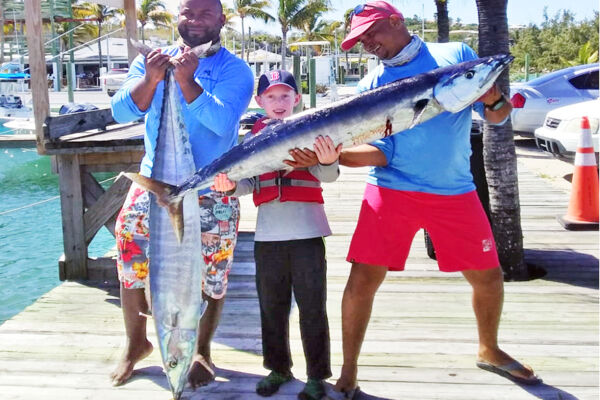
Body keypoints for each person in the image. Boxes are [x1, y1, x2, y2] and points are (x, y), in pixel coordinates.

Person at [323, 2, 541, 398]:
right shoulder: (370, 85)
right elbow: (378, 151)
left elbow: (498, 116)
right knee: (362, 282)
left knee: (489, 278)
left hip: (454, 191)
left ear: (396, 20)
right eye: (360, 40)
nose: (368, 44)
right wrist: (332, 156)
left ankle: (489, 349)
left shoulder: (455, 56)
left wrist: (492, 99)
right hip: (390, 190)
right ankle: (349, 370)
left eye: (372, 33)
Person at [109, 0, 254, 389]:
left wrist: (188, 81)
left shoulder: (234, 70)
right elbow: (121, 112)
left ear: (222, 20)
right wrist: (152, 79)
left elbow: (223, 121)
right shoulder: (152, 62)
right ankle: (136, 343)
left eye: (206, 13)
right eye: (188, 12)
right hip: (155, 182)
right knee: (129, 258)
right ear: (177, 18)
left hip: (212, 185)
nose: (195, 21)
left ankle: (202, 349)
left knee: (214, 272)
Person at [212, 70, 342, 400]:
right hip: (267, 237)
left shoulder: (313, 131)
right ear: (260, 102)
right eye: (271, 97)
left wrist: (329, 160)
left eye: (286, 96)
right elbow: (247, 183)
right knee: (272, 306)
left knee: (313, 306)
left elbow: (328, 176)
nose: (279, 103)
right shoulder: (252, 139)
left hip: (308, 234)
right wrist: (229, 186)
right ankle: (278, 367)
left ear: (297, 99)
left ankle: (317, 374)